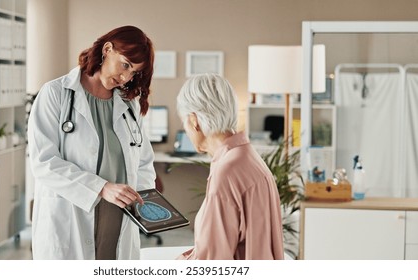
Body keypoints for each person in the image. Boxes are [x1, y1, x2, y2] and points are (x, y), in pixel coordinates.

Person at [28, 25, 156, 260]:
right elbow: (44, 162)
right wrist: (101, 188)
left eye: (134, 72)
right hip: (71, 214)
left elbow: (144, 162)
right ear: (107, 49)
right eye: (125, 65)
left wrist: (144, 200)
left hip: (118, 215)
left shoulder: (129, 104)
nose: (126, 77)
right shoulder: (55, 93)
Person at [175, 73, 284, 260]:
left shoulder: (227, 171)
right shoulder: (247, 156)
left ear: (194, 121)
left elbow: (213, 261)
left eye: (184, 123)